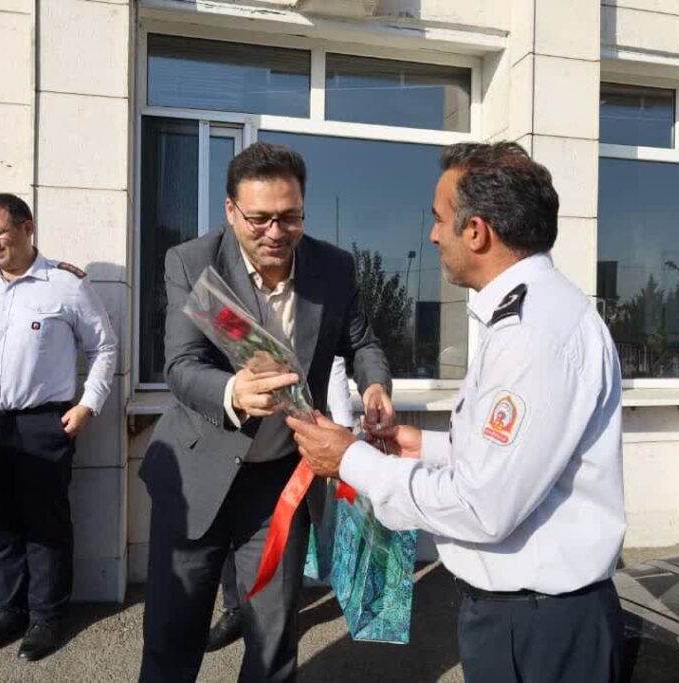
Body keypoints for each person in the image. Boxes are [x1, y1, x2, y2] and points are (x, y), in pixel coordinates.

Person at [287, 142, 626, 682]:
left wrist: (350, 460)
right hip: (527, 617)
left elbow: (482, 505)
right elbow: (511, 457)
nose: (432, 235)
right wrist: (424, 446)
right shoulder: (528, 316)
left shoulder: (534, 335)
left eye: (439, 219)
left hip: (538, 627)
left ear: (476, 232)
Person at [138, 143, 394, 682]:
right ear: (231, 211)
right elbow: (181, 366)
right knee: (172, 637)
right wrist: (233, 391)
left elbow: (362, 343)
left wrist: (375, 386)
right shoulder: (193, 262)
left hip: (279, 480)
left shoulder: (333, 268)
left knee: (274, 641)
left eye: (289, 217)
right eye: (259, 219)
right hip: (197, 472)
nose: (275, 232)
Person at [0, 193, 118, 662]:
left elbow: (104, 348)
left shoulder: (65, 285)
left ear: (27, 228)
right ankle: (8, 611)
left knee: (45, 525)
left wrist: (88, 405)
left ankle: (47, 617)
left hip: (42, 425)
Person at [206, 356, 355, 652]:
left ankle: (281, 621)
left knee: (284, 550)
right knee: (230, 542)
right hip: (228, 444)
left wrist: (344, 425)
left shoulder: (317, 323)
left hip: (286, 454)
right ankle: (236, 610)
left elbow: (334, 359)